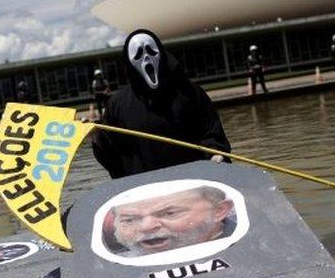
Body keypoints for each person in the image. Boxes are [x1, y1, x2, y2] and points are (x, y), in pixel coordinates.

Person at [92, 28, 231, 179]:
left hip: (193, 183)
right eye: (138, 55)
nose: (146, 59)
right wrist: (95, 134)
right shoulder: (118, 105)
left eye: (151, 52)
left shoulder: (189, 92)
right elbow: (106, 148)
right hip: (146, 190)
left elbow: (212, 131)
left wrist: (215, 153)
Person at [105, 186, 235, 257]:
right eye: (129, 219)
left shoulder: (251, 246)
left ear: (218, 211)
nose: (146, 227)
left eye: (170, 213)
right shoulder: (110, 272)